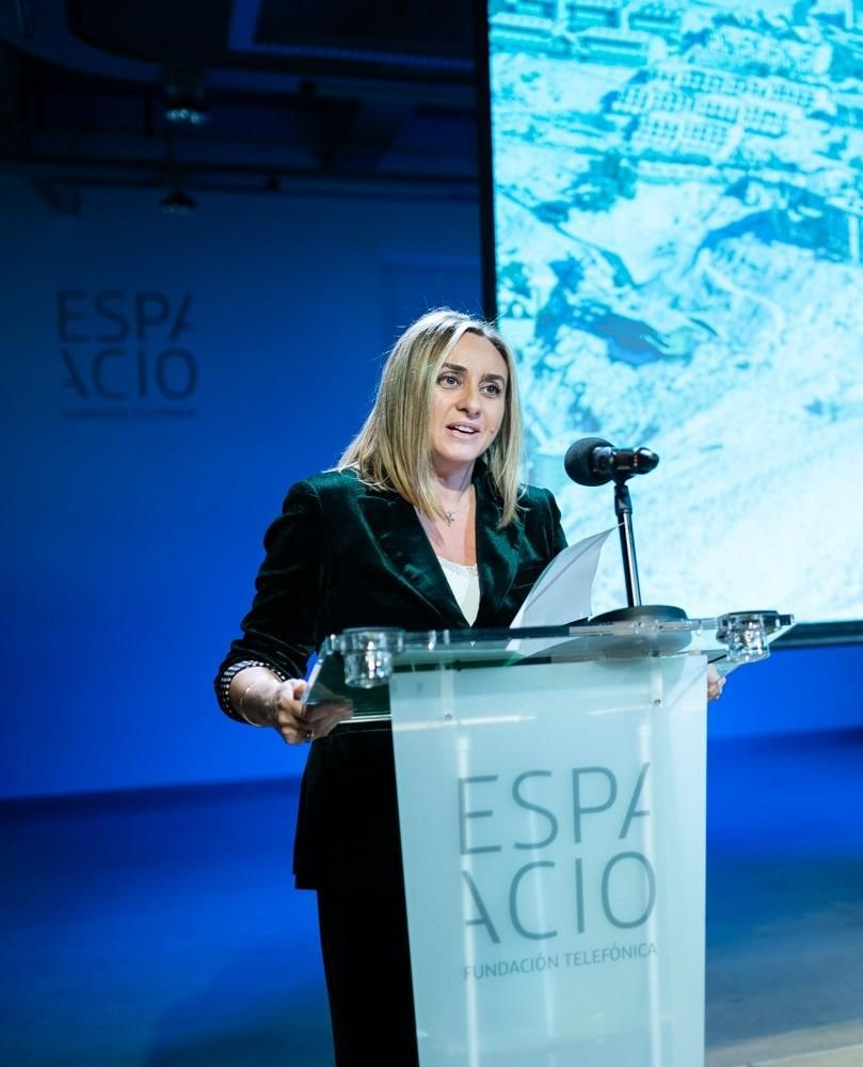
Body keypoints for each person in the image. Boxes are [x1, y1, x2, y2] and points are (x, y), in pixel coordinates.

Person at [213, 309, 721, 1064]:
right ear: (408, 389)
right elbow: (245, 662)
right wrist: (279, 698)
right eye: (450, 380)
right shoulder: (330, 507)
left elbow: (557, 661)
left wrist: (665, 674)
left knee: (520, 1041)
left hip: (512, 820)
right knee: (390, 1039)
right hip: (377, 823)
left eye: (492, 388)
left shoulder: (530, 513)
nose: (472, 404)